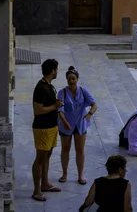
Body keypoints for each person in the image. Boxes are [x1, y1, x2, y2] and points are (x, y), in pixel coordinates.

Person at [57, 66, 98, 185]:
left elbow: (94, 104)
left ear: (77, 79)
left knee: (80, 150)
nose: (71, 81)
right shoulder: (62, 92)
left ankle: (80, 175)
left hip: (80, 124)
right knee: (65, 149)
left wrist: (89, 114)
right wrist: (64, 122)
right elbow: (60, 110)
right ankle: (64, 173)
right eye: (69, 79)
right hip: (66, 123)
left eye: (73, 79)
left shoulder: (83, 91)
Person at [31, 58, 63, 202]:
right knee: (40, 158)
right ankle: (36, 190)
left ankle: (45, 183)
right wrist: (54, 107)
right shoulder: (41, 88)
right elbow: (37, 110)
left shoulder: (50, 86)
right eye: (56, 69)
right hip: (42, 127)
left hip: (51, 126)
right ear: (52, 71)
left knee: (47, 155)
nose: (57, 72)